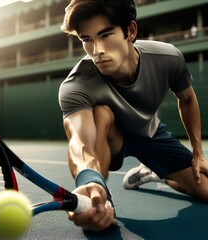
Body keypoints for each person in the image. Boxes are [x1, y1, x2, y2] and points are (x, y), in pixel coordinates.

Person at [59, 0, 208, 232]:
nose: (97, 50)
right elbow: (81, 141)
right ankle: (101, 199)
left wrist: (198, 152)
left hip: (150, 133)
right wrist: (88, 180)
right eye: (86, 39)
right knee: (102, 112)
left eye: (105, 34)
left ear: (130, 31)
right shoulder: (76, 85)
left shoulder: (168, 58)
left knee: (205, 190)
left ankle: (153, 173)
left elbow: (187, 99)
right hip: (112, 139)